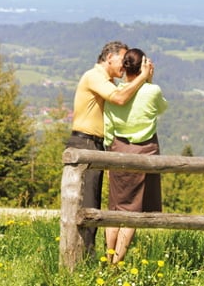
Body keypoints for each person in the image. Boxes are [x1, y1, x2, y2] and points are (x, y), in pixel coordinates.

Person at [67, 41, 154, 257]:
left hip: (94, 145)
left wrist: (146, 81)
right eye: (122, 60)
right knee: (86, 205)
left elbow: (131, 101)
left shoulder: (106, 81)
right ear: (109, 58)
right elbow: (121, 98)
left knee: (93, 204)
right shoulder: (94, 76)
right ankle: (81, 259)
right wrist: (142, 77)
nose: (124, 66)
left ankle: (86, 257)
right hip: (85, 143)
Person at [103, 48, 168, 264]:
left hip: (118, 151)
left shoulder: (115, 92)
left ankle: (107, 259)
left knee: (115, 208)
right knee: (132, 212)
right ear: (142, 68)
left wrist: (109, 150)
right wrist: (149, 80)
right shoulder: (152, 91)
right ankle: (116, 265)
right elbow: (161, 108)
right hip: (143, 152)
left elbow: (109, 126)